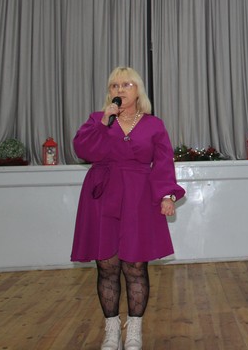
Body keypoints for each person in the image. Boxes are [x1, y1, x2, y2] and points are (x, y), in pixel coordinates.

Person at [71, 67, 185, 350]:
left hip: (138, 199)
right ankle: (112, 332)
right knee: (106, 266)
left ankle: (134, 331)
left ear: (138, 90)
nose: (120, 90)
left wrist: (166, 195)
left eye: (126, 85)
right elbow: (82, 150)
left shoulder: (154, 124)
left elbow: (162, 162)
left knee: (135, 266)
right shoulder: (97, 120)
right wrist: (103, 122)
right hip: (101, 196)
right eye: (114, 86)